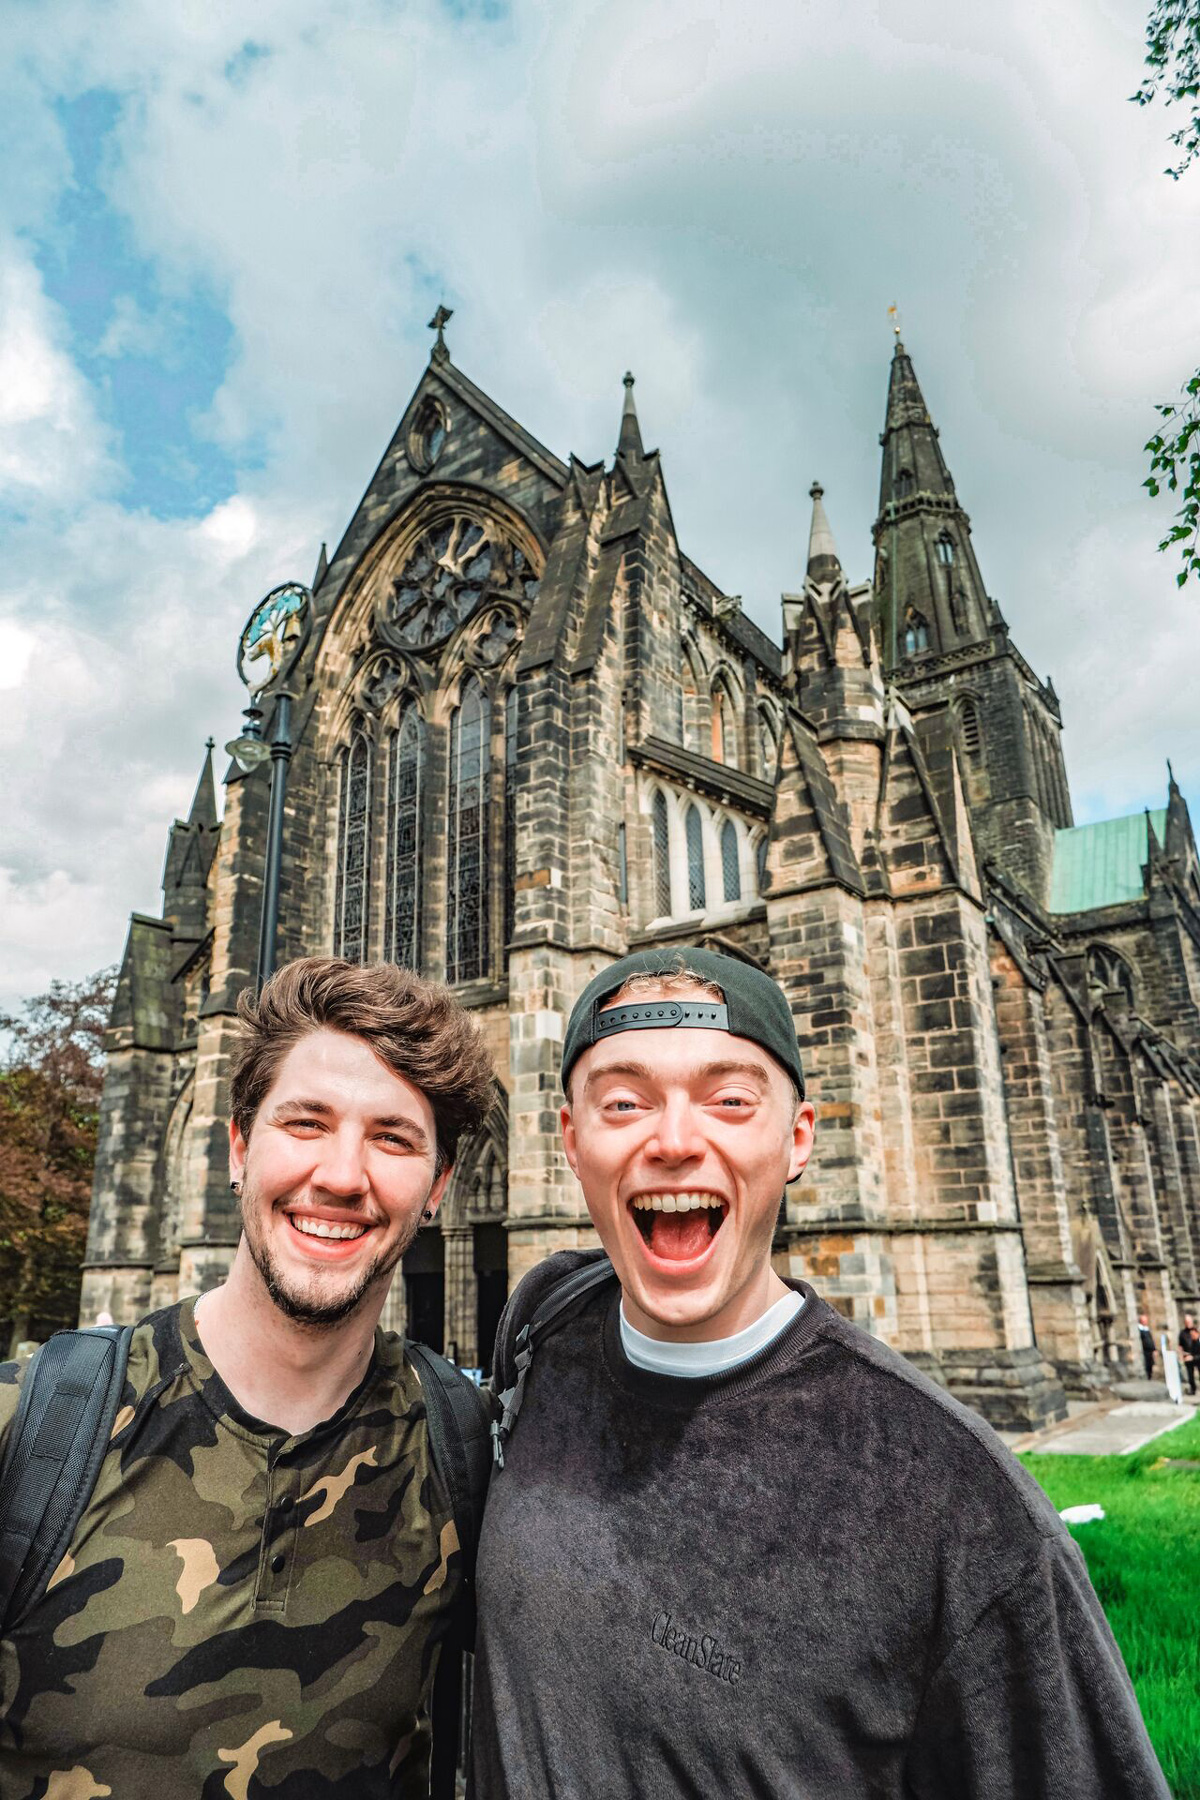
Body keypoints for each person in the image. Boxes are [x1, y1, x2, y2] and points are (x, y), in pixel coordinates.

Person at [471, 946, 1170, 1799]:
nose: (675, 1141)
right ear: (571, 1142)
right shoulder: (542, 1323)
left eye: (730, 1100)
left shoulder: (964, 1509)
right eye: (624, 1103)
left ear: (798, 1139)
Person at [0, 956, 494, 1797]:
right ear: (238, 1147)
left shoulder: (463, 1452)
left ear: (439, 1185)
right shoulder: (33, 1428)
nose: (341, 1176)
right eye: (305, 1123)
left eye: (392, 1138)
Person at [1179, 1312, 1200, 1397]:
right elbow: (1180, 1346)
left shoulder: (1196, 1332)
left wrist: (1193, 1356)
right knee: (1190, 1375)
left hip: (1196, 1356)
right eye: (1186, 1322)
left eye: (1189, 1321)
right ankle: (1193, 1389)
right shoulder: (1182, 1333)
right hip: (1188, 1356)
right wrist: (1182, 1355)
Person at [1138, 1311, 1156, 1379]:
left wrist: (1154, 1349)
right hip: (1144, 1350)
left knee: (1150, 1364)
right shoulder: (1139, 1329)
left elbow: (1150, 1339)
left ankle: (1150, 1376)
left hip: (1150, 1350)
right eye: (1144, 1321)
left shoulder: (1146, 1329)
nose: (1146, 1322)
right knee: (1146, 1364)